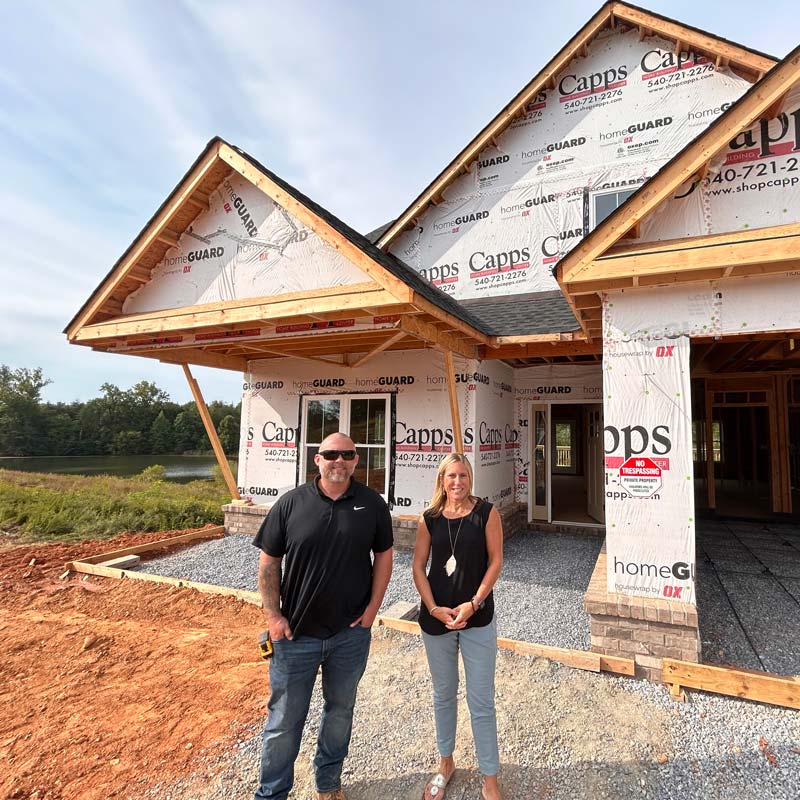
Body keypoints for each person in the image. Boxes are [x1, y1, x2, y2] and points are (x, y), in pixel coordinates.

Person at [252, 431, 393, 800]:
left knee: (340, 712)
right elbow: (269, 563)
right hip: (295, 637)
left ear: (356, 460)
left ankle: (328, 783)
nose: (339, 461)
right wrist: (273, 617)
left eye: (347, 454)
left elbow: (384, 556)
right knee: (284, 721)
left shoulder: (371, 504)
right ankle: (272, 793)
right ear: (317, 459)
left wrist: (373, 609)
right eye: (331, 454)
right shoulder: (291, 504)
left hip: (349, 636)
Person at [413, 453, 504, 800]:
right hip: (436, 623)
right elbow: (419, 567)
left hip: (477, 619)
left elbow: (495, 562)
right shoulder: (429, 519)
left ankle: (490, 779)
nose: (457, 482)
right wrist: (434, 608)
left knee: (481, 701)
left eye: (463, 475)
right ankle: (445, 763)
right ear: (441, 479)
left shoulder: (486, 513)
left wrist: (474, 602)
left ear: (471, 478)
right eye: (451, 476)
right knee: (443, 696)